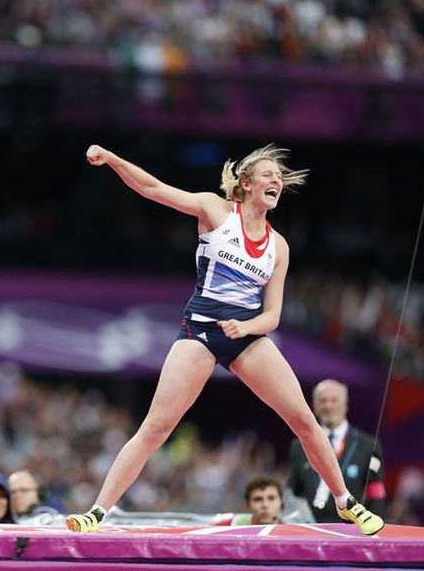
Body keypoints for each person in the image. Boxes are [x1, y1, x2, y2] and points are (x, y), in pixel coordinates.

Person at [65, 144, 384, 536]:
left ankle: (346, 503)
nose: (277, 182)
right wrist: (114, 160)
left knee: (304, 419)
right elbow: (153, 188)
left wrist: (247, 328)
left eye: (280, 178)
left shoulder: (278, 246)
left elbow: (272, 315)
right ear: (247, 183)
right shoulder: (215, 210)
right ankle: (96, 512)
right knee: (156, 428)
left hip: (246, 338)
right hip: (199, 331)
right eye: (269, 175)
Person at [287, 379, 386, 523]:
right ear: (314, 406)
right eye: (323, 401)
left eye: (334, 400)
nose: (328, 406)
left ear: (346, 404)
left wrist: (374, 532)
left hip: (350, 529)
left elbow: (376, 493)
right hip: (310, 529)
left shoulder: (368, 445)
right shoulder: (298, 446)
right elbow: (293, 493)